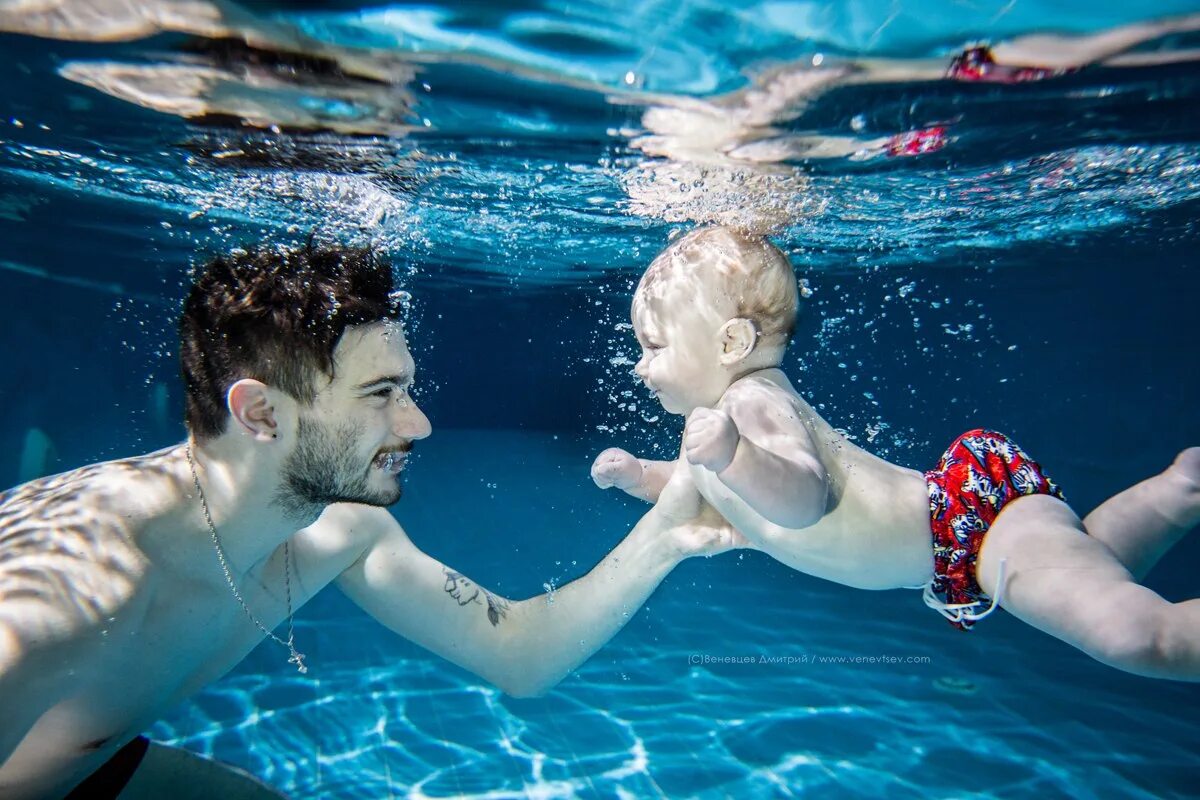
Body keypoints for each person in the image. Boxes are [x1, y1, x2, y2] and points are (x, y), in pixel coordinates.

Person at [0, 241, 738, 799]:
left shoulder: (339, 532)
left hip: (93, 761)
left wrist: (669, 528)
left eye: (407, 388)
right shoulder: (62, 599)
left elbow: (523, 653)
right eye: (381, 393)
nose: (417, 424)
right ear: (261, 413)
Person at [591, 225, 1200, 681]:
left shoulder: (751, 402)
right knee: (1086, 563)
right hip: (963, 537)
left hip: (968, 525)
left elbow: (802, 498)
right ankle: (1184, 488)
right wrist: (642, 474)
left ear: (730, 341)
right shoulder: (718, 432)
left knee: (1139, 639)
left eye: (655, 345)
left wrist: (733, 458)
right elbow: (697, 490)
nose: (641, 366)